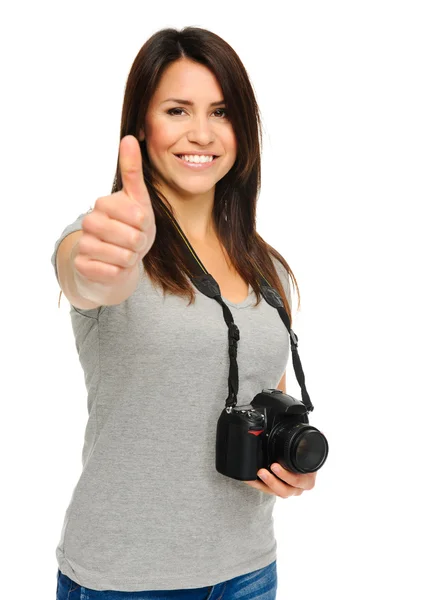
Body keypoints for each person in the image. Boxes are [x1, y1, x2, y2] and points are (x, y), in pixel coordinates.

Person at [51, 26, 317, 600]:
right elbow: (82, 274)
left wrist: (289, 465)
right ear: (141, 126)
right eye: (177, 110)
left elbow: (261, 397)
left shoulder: (266, 270)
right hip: (125, 580)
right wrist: (98, 264)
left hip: (248, 572)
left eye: (220, 112)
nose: (201, 133)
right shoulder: (111, 242)